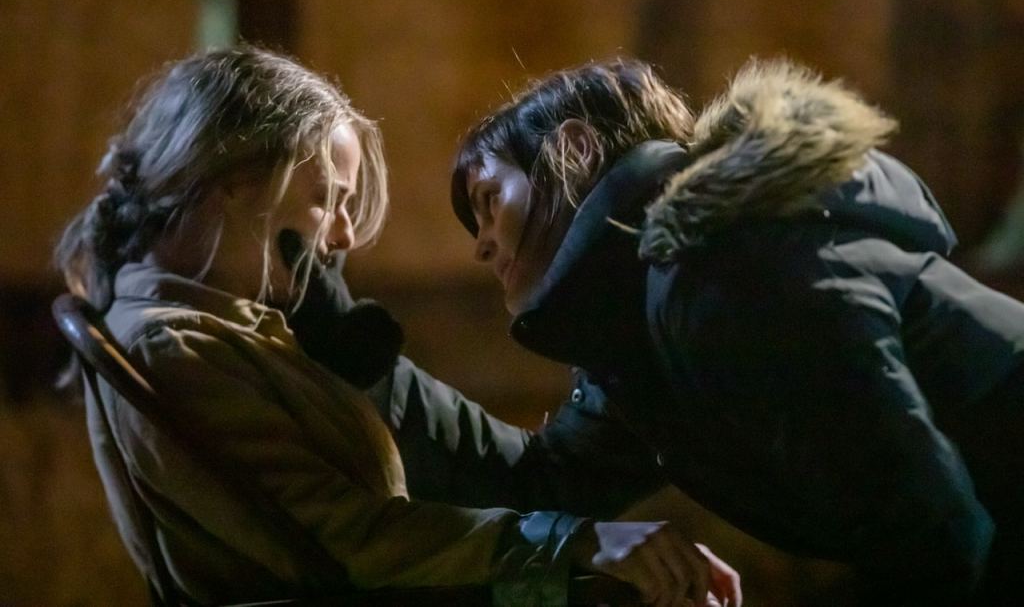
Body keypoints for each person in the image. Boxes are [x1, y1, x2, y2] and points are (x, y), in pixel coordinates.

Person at [54, 46, 729, 607]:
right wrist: (574, 542)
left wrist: (357, 358)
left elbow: (519, 481)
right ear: (233, 178)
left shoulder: (235, 330)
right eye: (328, 200)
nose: (345, 236)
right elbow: (357, 539)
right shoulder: (179, 346)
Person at [450, 56, 1024, 605]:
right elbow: (545, 483)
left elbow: (925, 528)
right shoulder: (641, 327)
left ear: (575, 150)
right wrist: (392, 376)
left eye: (490, 200)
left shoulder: (717, 272)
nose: (482, 246)